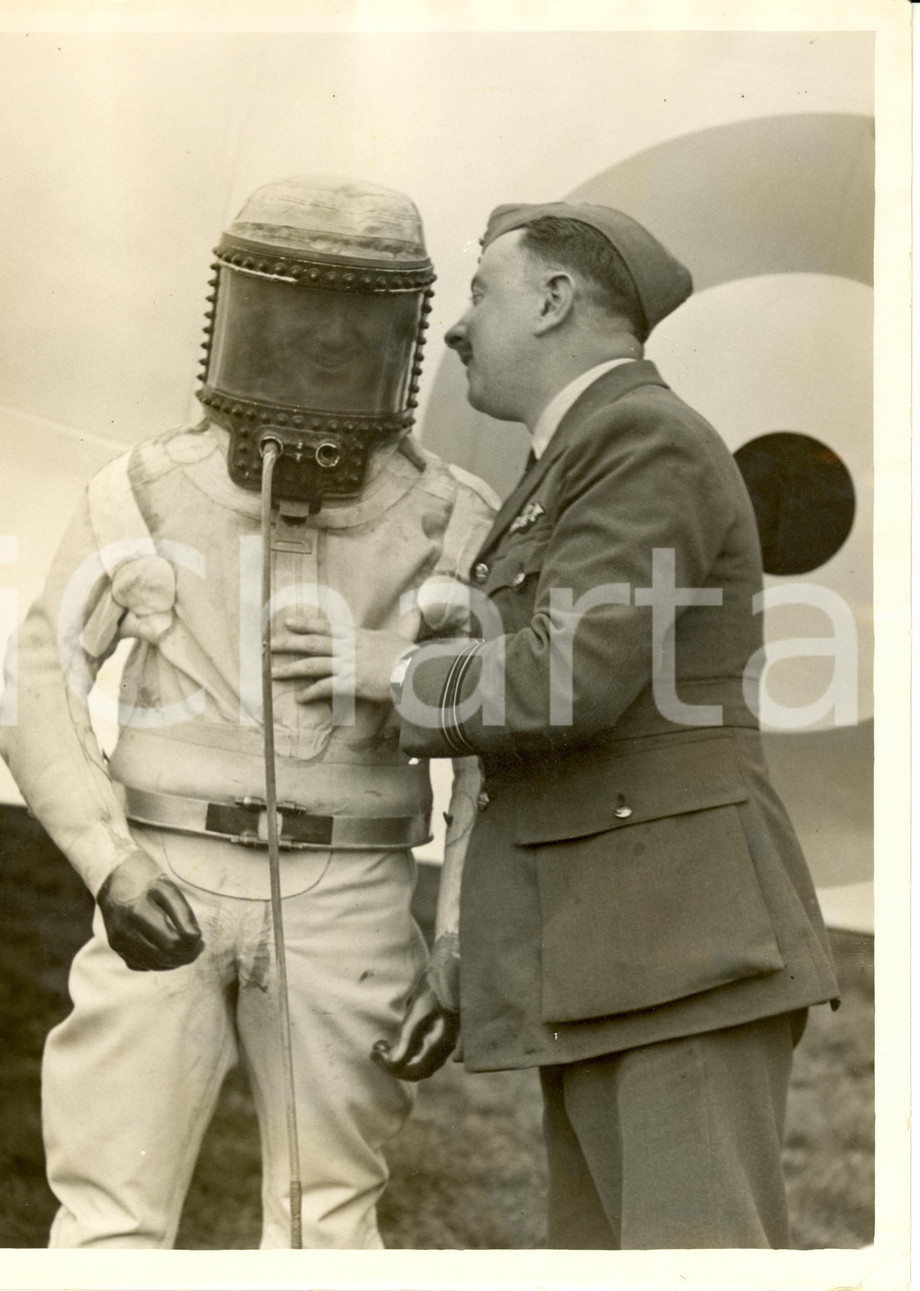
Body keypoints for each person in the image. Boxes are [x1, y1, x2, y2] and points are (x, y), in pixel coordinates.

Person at [276, 201, 841, 1249]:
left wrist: (390, 668)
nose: (455, 327)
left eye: (479, 292)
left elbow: (570, 681)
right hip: (624, 955)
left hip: (675, 959)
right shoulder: (579, 453)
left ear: (553, 300)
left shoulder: (640, 440)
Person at [0, 176, 497, 1250]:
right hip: (165, 873)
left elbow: (486, 758)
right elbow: (37, 681)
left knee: (329, 1220)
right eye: (297, 309)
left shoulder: (454, 517)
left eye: (353, 317)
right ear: (240, 307)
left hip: (352, 893)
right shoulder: (143, 488)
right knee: (110, 1212)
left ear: (401, 330)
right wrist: (110, 865)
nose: (324, 344)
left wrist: (457, 940)